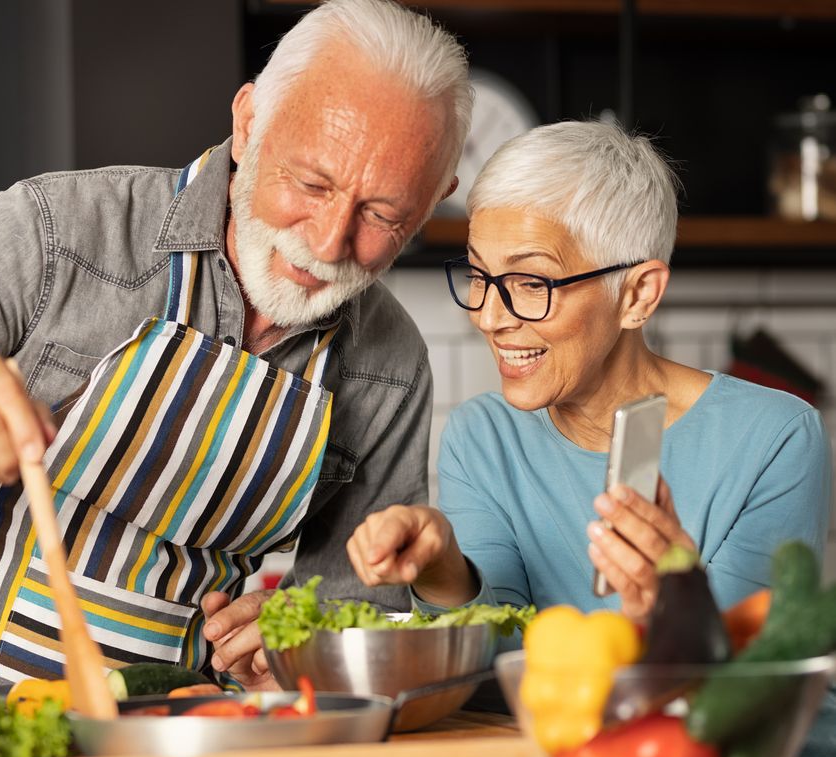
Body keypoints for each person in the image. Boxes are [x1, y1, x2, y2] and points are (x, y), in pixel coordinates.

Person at [0, 0, 473, 690]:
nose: (327, 244)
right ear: (248, 121)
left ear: (436, 197)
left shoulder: (388, 365)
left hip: (166, 748)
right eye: (311, 183)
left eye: (382, 214)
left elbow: (359, 624)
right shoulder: (58, 235)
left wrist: (296, 642)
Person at [346, 119, 832, 627]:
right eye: (478, 274)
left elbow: (755, 681)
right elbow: (492, 657)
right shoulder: (483, 436)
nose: (488, 317)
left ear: (637, 295)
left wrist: (676, 609)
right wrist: (443, 568)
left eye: (531, 281)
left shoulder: (775, 438)